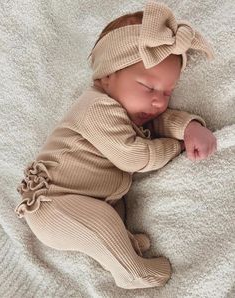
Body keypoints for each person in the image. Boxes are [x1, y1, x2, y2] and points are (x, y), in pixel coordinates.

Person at [14, 1, 217, 289]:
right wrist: (176, 147)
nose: (159, 101)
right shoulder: (96, 109)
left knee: (108, 218)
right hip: (55, 205)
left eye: (168, 92)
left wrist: (188, 127)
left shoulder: (129, 110)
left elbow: (159, 123)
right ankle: (131, 272)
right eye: (148, 87)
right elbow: (134, 156)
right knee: (102, 223)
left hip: (88, 201)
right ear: (108, 77)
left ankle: (124, 244)